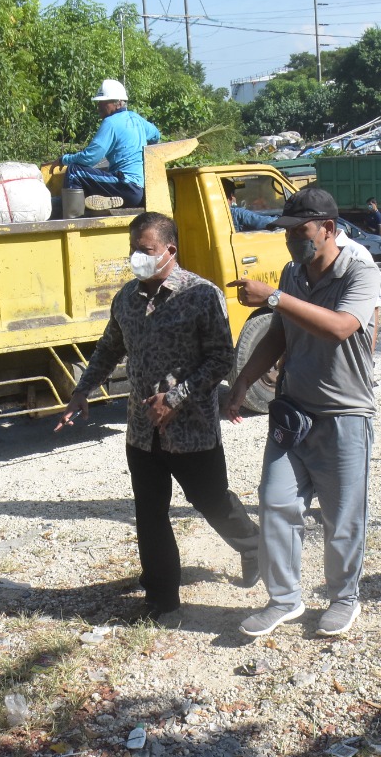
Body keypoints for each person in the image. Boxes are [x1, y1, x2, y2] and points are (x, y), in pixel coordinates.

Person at [57, 212, 260, 620]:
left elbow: (221, 358)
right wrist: (81, 391)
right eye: (133, 249)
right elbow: (109, 348)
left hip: (192, 429)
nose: (137, 257)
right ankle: (161, 596)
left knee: (210, 500)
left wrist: (176, 397)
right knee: (150, 511)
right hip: (142, 430)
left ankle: (253, 546)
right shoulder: (125, 299)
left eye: (145, 250)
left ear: (170, 250)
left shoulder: (201, 295)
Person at [225, 186, 378, 638]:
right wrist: (244, 380)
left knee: (341, 516)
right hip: (293, 412)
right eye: (287, 232)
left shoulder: (360, 271)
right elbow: (279, 333)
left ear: (328, 228)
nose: (292, 240)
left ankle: (344, 598)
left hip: (345, 413)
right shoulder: (293, 273)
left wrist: (274, 297)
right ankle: (284, 599)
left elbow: (340, 328)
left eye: (300, 231)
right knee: (275, 504)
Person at [56, 80, 161, 212]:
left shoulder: (110, 122)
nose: (98, 107)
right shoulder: (136, 118)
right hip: (139, 190)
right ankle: (103, 201)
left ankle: (73, 219)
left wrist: (64, 159)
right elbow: (156, 135)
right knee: (102, 175)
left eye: (103, 102)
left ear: (118, 103)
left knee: (74, 172)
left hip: (125, 186)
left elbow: (90, 158)